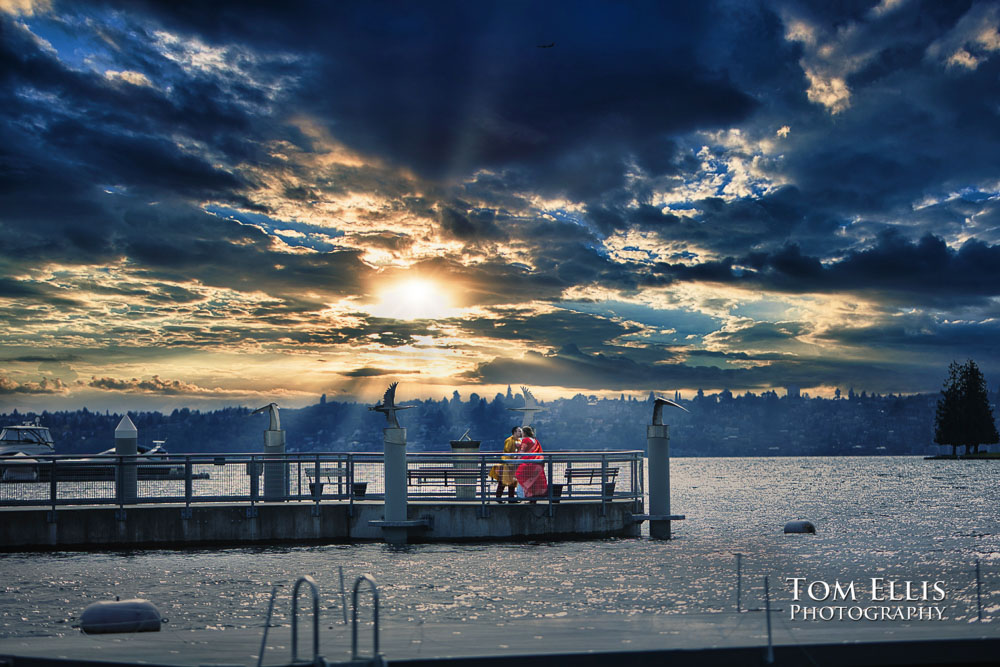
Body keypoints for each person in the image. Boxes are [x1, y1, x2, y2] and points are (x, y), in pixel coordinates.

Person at [514, 426, 547, 503]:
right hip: (537, 463)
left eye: (522, 432)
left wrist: (516, 459)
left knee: (520, 475)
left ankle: (523, 496)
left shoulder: (525, 440)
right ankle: (533, 499)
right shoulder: (535, 441)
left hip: (528, 463)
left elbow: (522, 451)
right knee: (533, 482)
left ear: (524, 433)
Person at [489, 426, 521, 502]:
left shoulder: (519, 441)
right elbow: (507, 450)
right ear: (514, 432)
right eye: (519, 431)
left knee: (513, 482)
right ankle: (498, 497)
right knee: (503, 481)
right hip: (506, 464)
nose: (520, 433)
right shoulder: (509, 440)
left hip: (513, 464)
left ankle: (511, 498)